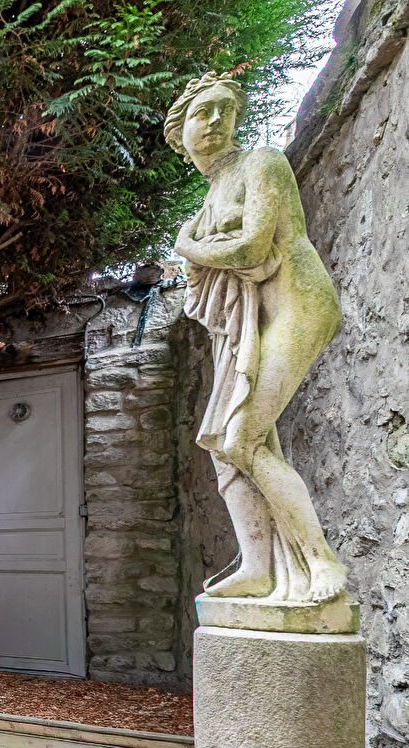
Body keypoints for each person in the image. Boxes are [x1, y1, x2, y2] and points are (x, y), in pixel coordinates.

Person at [168, 71, 347, 603]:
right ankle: (257, 567)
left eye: (226, 110)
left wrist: (187, 246)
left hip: (297, 303)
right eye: (202, 112)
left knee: (242, 435)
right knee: (226, 445)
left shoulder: (261, 162)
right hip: (252, 319)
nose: (216, 120)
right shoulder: (213, 193)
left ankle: (322, 560)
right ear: (178, 132)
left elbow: (250, 249)